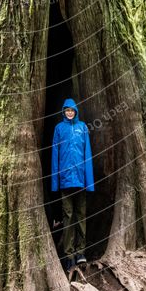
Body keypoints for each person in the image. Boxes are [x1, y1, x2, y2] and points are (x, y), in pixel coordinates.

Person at [51, 97, 94, 272]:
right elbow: (55, 155)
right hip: (65, 181)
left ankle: (80, 252)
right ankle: (69, 256)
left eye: (72, 110)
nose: (69, 113)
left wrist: (89, 182)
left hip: (81, 180)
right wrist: (55, 183)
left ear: (76, 112)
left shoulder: (82, 127)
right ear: (64, 112)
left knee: (80, 215)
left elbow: (88, 154)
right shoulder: (59, 129)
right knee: (68, 217)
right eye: (67, 110)